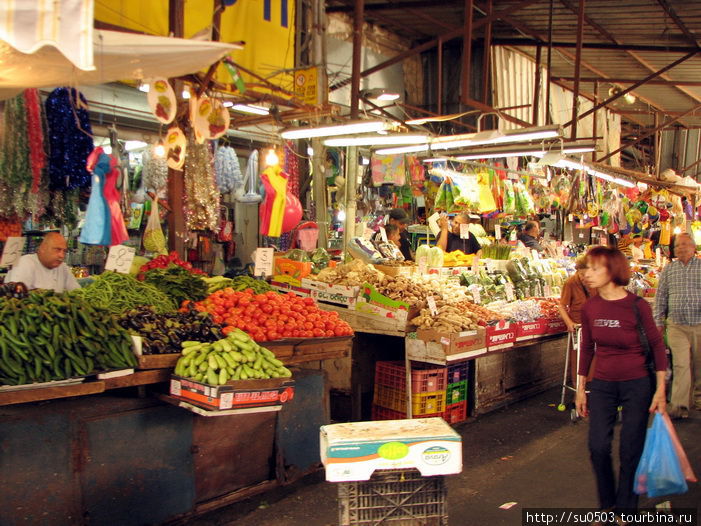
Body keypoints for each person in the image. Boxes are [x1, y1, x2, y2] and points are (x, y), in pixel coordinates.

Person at [576, 247, 667, 516]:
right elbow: (587, 347)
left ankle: (626, 509)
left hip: (636, 383)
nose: (587, 275)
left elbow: (657, 346)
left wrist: (660, 388)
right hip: (603, 384)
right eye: (586, 269)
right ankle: (607, 505)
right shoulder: (590, 307)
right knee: (598, 447)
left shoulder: (636, 306)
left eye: (594, 269)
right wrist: (581, 389)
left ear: (612, 270)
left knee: (630, 448)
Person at [654, 232, 701, 419]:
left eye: (684, 244)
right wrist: (658, 322)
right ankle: (680, 405)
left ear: (694, 247)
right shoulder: (669, 270)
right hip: (676, 325)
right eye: (677, 246)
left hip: (699, 324)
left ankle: (698, 399)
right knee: (681, 364)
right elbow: (661, 297)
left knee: (699, 365)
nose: (680, 248)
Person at [558, 256, 597, 382]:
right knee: (578, 360)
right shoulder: (571, 282)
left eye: (587, 274)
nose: (584, 278)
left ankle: (591, 388)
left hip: (594, 326)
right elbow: (562, 306)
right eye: (582, 274)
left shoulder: (596, 282)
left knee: (595, 358)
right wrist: (569, 323)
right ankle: (578, 390)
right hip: (578, 327)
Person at [4, 232, 80, 293]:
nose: (62, 255)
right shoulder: (25, 263)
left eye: (64, 251)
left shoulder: (63, 267)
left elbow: (76, 291)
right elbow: (17, 296)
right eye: (57, 249)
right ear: (43, 248)